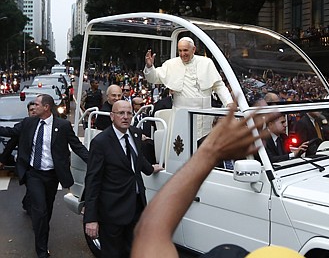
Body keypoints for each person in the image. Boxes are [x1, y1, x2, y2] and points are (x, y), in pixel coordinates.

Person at [131, 104, 303, 258]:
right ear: (214, 126)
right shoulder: (200, 145)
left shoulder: (235, 150)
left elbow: (149, 232)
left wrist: (210, 155)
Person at [0, 94, 89, 258]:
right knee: (40, 210)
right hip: (34, 174)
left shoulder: (62, 126)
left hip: (52, 176)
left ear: (46, 107)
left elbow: (77, 146)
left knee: (46, 211)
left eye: (37, 104)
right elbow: (10, 131)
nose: (34, 107)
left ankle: (42, 230)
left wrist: (93, 162)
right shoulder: (29, 123)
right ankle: (42, 251)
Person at [84, 100, 163, 257]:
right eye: (121, 113)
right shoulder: (100, 142)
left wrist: (150, 168)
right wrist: (91, 218)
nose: (125, 117)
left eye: (129, 113)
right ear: (112, 116)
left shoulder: (135, 134)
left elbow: (137, 158)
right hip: (112, 212)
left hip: (136, 207)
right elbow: (93, 181)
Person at [143, 37, 234, 137]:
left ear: (193, 49)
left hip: (204, 115)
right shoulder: (171, 64)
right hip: (182, 115)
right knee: (182, 146)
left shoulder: (206, 63)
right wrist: (149, 67)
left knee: (202, 145)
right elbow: (154, 78)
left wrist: (229, 102)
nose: (182, 54)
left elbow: (219, 86)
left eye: (185, 50)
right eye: (180, 51)